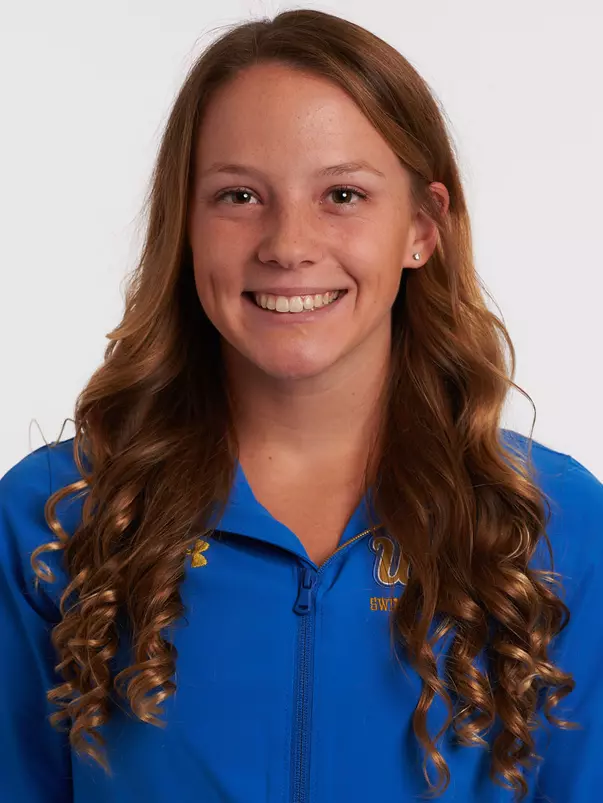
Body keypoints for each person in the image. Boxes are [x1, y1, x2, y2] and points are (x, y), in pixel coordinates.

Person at [1, 7, 602, 803]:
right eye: (239, 194)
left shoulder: (551, 523)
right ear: (184, 223)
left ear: (421, 228)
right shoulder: (55, 515)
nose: (287, 244)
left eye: (343, 193)